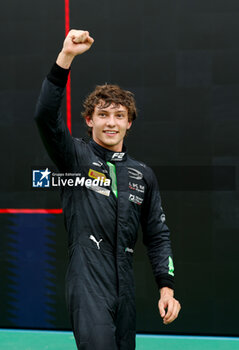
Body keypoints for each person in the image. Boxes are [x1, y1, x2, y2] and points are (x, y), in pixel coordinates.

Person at [34, 29, 181, 350]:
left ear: (130, 122)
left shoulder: (143, 174)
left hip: (125, 289)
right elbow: (45, 115)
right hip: (87, 283)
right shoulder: (75, 157)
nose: (111, 122)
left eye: (119, 115)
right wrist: (66, 57)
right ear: (89, 120)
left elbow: (157, 236)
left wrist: (166, 288)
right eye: (103, 115)